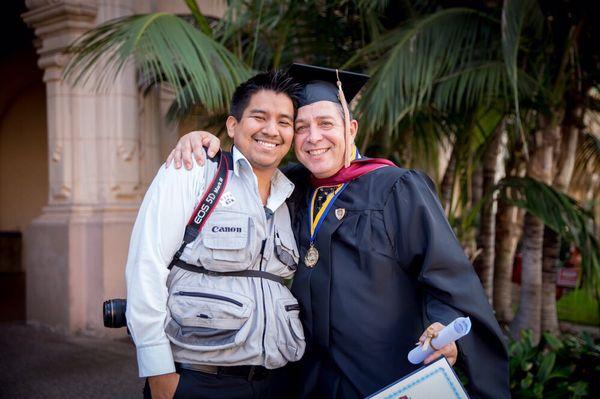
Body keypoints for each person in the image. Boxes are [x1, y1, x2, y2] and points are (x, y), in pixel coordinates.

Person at [168, 64, 510, 398]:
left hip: (384, 378)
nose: (313, 137)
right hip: (306, 378)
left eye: (326, 123)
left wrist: (445, 330)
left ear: (351, 129)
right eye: (301, 127)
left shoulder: (396, 189)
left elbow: (448, 279)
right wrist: (198, 141)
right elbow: (244, 163)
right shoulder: (288, 189)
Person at [125, 70, 307, 399]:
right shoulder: (195, 171)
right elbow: (145, 266)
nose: (271, 130)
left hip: (276, 381)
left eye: (284, 121)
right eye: (259, 116)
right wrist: (159, 372)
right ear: (232, 126)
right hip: (199, 380)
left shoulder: (292, 196)